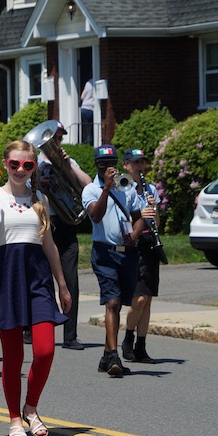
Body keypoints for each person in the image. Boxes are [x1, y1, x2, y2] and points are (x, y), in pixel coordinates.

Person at [0, 140, 71, 436]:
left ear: (33, 168)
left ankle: (31, 408)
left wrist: (63, 285)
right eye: (14, 164)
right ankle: (15, 418)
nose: (20, 170)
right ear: (5, 164)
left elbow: (50, 245)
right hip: (9, 278)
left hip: (38, 279)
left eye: (27, 165)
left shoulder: (39, 198)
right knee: (13, 356)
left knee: (45, 350)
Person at [82, 144, 143, 377]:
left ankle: (106, 355)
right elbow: (96, 216)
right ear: (96, 165)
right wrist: (106, 188)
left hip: (126, 253)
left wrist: (135, 235)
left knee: (122, 302)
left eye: (111, 163)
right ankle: (114, 355)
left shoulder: (127, 184)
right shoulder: (90, 190)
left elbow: (139, 216)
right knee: (112, 302)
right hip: (104, 253)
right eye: (103, 164)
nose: (108, 168)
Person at [35, 121, 92, 350]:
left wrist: (68, 165)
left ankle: (70, 335)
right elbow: (25, 189)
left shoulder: (69, 161)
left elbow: (87, 185)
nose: (57, 143)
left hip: (66, 223)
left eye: (59, 138)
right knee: (40, 277)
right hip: (45, 223)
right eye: (54, 139)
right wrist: (39, 181)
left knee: (70, 280)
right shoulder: (35, 163)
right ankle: (34, 328)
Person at [119, 148, 162, 364]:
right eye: (136, 163)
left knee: (148, 300)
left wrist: (153, 212)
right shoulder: (121, 184)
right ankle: (127, 339)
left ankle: (141, 346)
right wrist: (139, 214)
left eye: (142, 163)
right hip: (132, 243)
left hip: (149, 244)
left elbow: (157, 222)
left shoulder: (151, 189)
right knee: (139, 298)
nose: (140, 167)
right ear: (126, 165)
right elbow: (118, 214)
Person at [80, 78, 96, 146]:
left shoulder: (88, 83)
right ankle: (90, 144)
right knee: (91, 129)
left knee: (85, 129)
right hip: (91, 109)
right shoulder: (95, 83)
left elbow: (82, 97)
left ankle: (85, 143)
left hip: (84, 108)